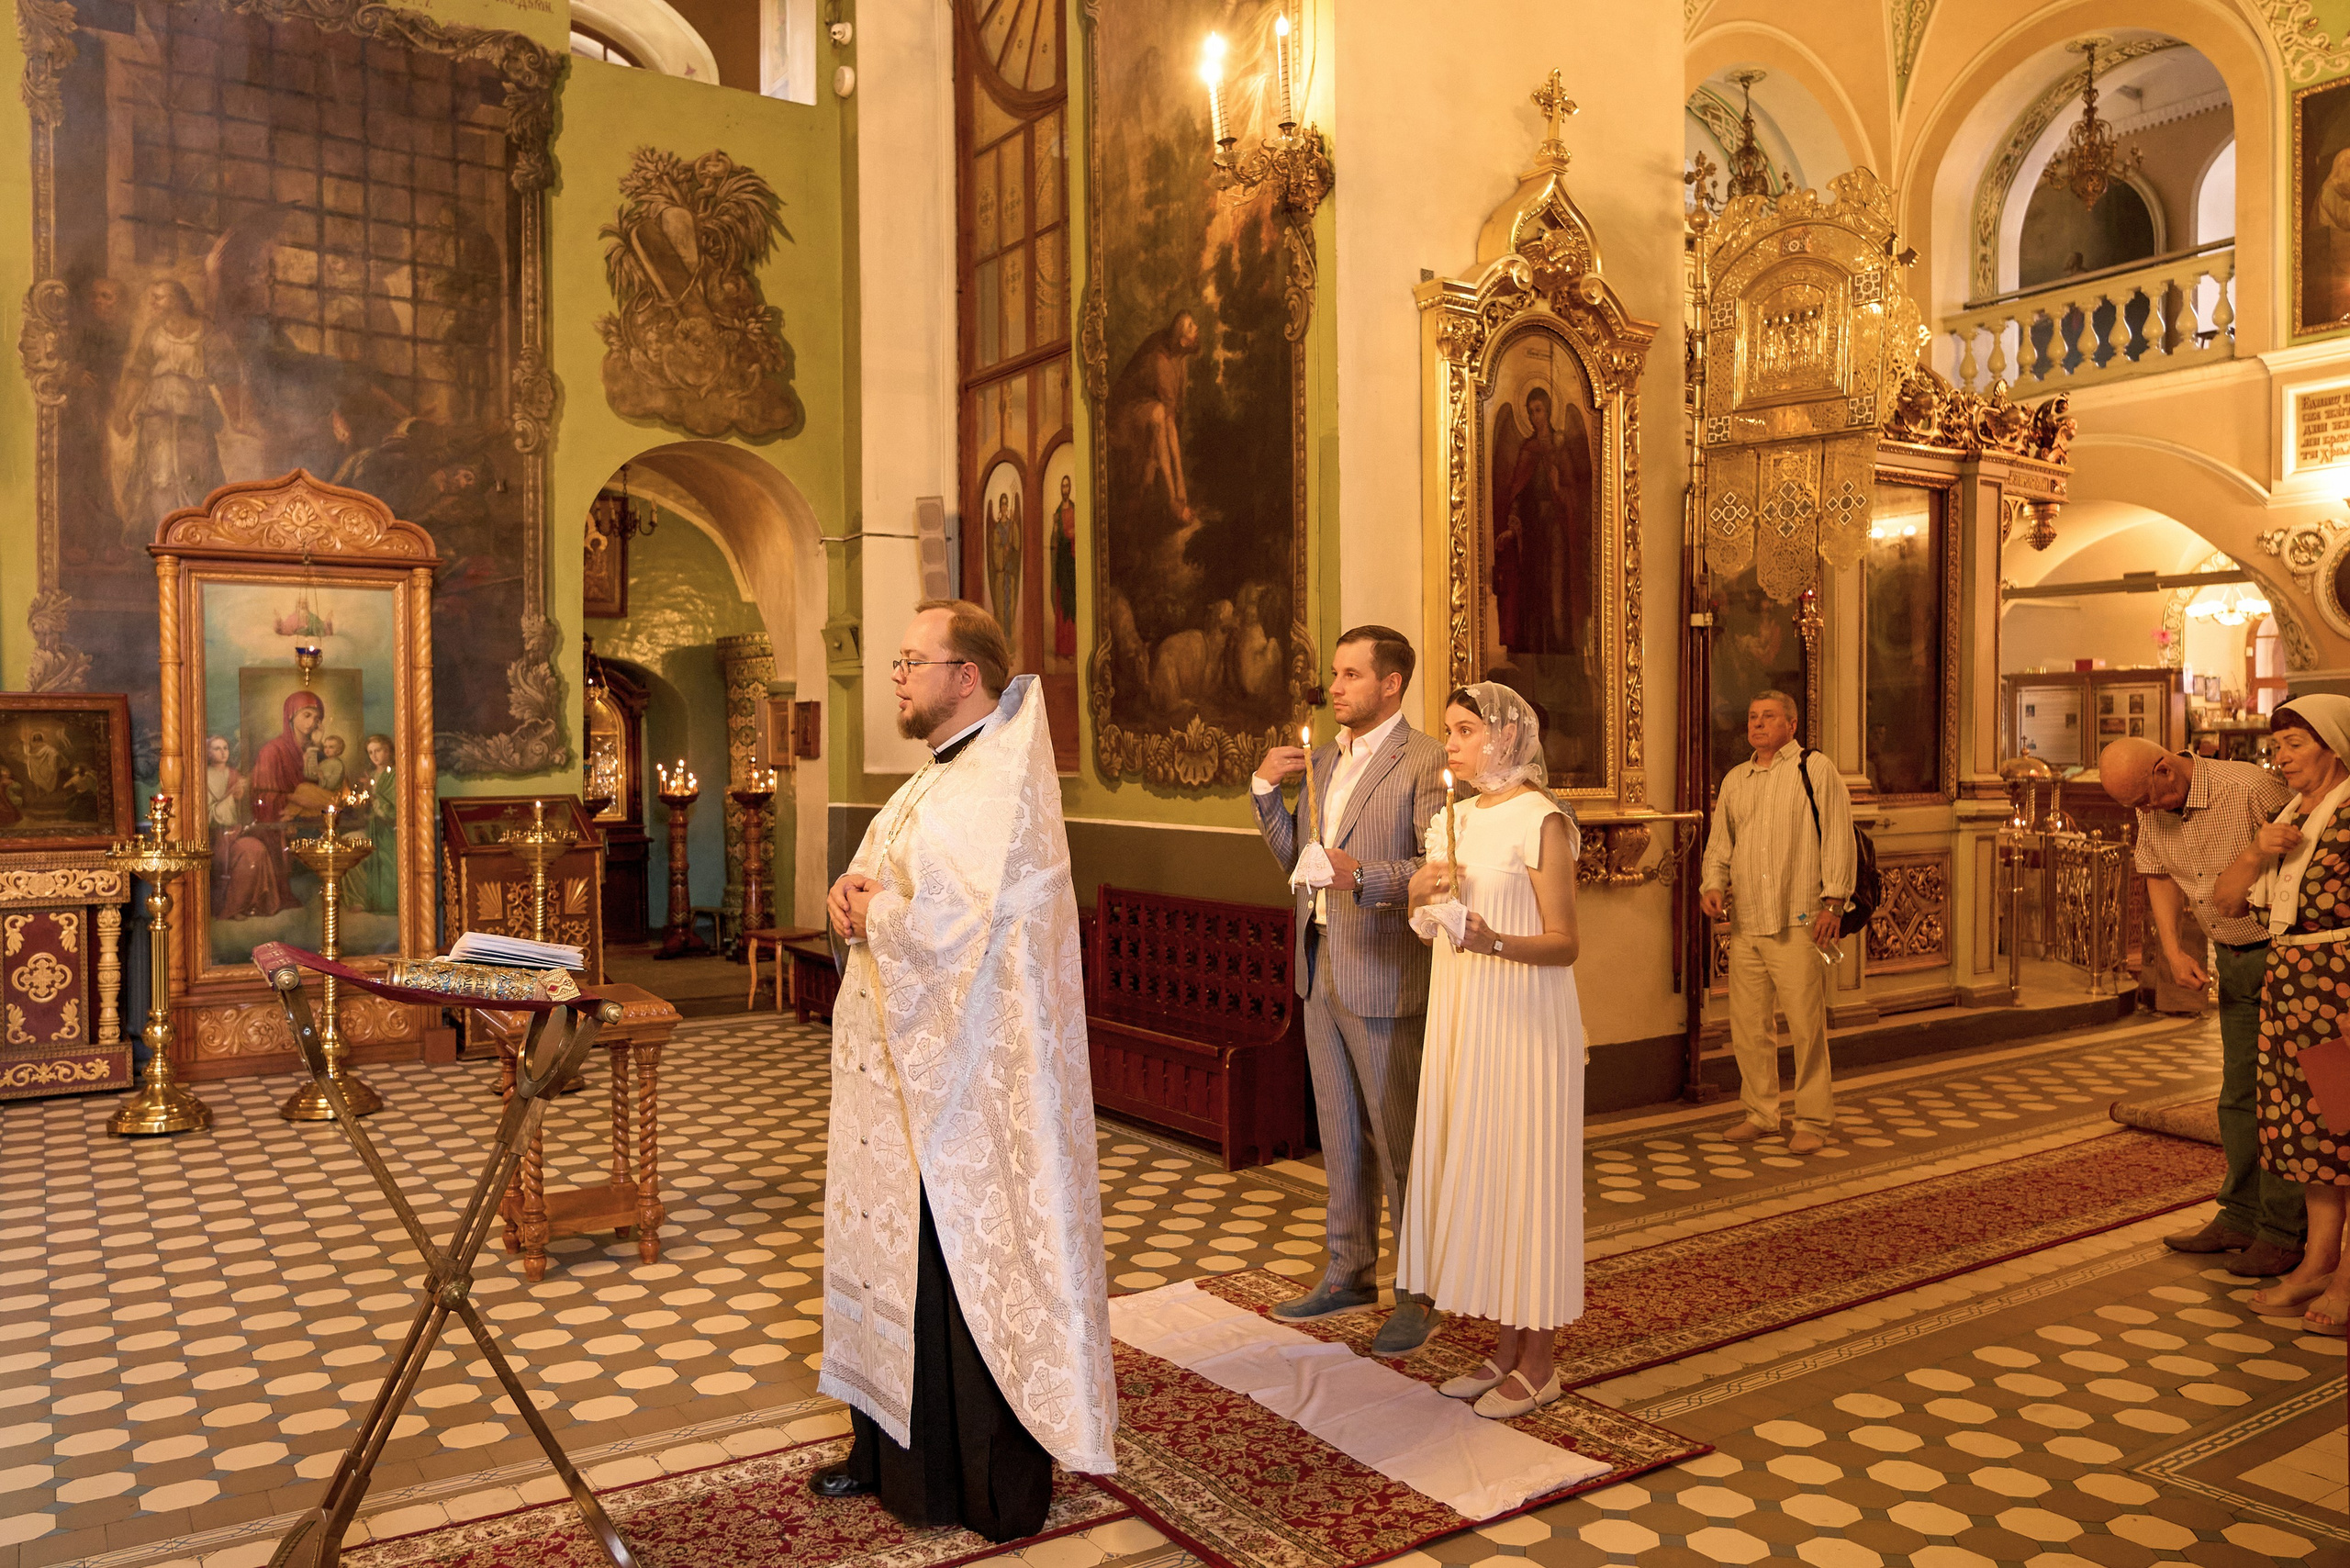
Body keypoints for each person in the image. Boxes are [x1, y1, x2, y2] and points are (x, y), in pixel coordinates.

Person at [811, 599, 1115, 1538]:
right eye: (898, 660)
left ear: (966, 676)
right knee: (891, 1257)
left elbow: (948, 928)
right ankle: (885, 1457)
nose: (897, 675)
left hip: (970, 1085)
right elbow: (879, 886)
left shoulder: (997, 786)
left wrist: (875, 911)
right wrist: (845, 899)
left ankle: (974, 1488)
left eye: (914, 660)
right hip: (902, 1074)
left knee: (958, 1272)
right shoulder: (930, 781)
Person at [1250, 626, 1447, 1353]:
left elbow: (1437, 865)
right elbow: (1300, 864)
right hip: (1320, 961)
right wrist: (1265, 792)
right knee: (1339, 1133)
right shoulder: (1325, 760)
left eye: (1351, 675)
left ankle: (1419, 1292)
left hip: (1385, 968)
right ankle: (1348, 1272)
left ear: (1391, 684)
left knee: (1399, 1141)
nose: (1335, 687)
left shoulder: (1424, 760)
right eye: (1335, 674)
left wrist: (1361, 875)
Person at [1401, 683, 1583, 1417]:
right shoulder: (1455, 817)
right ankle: (1505, 1349)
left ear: (1506, 737)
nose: (1450, 744)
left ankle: (1540, 1364)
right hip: (1464, 1020)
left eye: (1465, 731)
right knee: (1489, 1179)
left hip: (1525, 1026)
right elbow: (1432, 926)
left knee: (1527, 1185)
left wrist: (1496, 940)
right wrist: (1419, 895)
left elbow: (1564, 942)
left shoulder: (1541, 819)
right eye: (1449, 730)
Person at [2102, 736, 2304, 1278]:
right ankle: (2240, 1214)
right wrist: (2172, 949)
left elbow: (2309, 853)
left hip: (2285, 954)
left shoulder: (2248, 787)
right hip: (2232, 956)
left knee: (2287, 1097)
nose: (2146, 813)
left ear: (2164, 770)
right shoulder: (2151, 808)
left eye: (2146, 800)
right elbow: (2158, 873)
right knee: (2239, 1094)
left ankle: (2285, 1231)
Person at [2213, 696, 2350, 1336]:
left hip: (2340, 991)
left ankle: (2349, 1274)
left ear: (2335, 745)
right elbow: (2226, 902)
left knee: (2347, 1131)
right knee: (2311, 1135)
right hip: (2291, 988)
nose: (2283, 757)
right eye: (2278, 747)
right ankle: (2319, 1260)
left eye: (2296, 743)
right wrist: (2254, 852)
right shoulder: (2288, 816)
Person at [1697, 690, 1853, 1153]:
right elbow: (1720, 844)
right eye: (1752, 717)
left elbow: (1838, 835)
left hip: (1799, 917)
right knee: (1748, 1027)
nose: (1758, 724)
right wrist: (1712, 885)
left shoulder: (1815, 769)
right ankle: (1761, 1114)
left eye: (1768, 717)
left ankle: (1812, 1120)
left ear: (1792, 724)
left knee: (1806, 1027)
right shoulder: (1736, 780)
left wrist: (1834, 902)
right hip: (1747, 921)